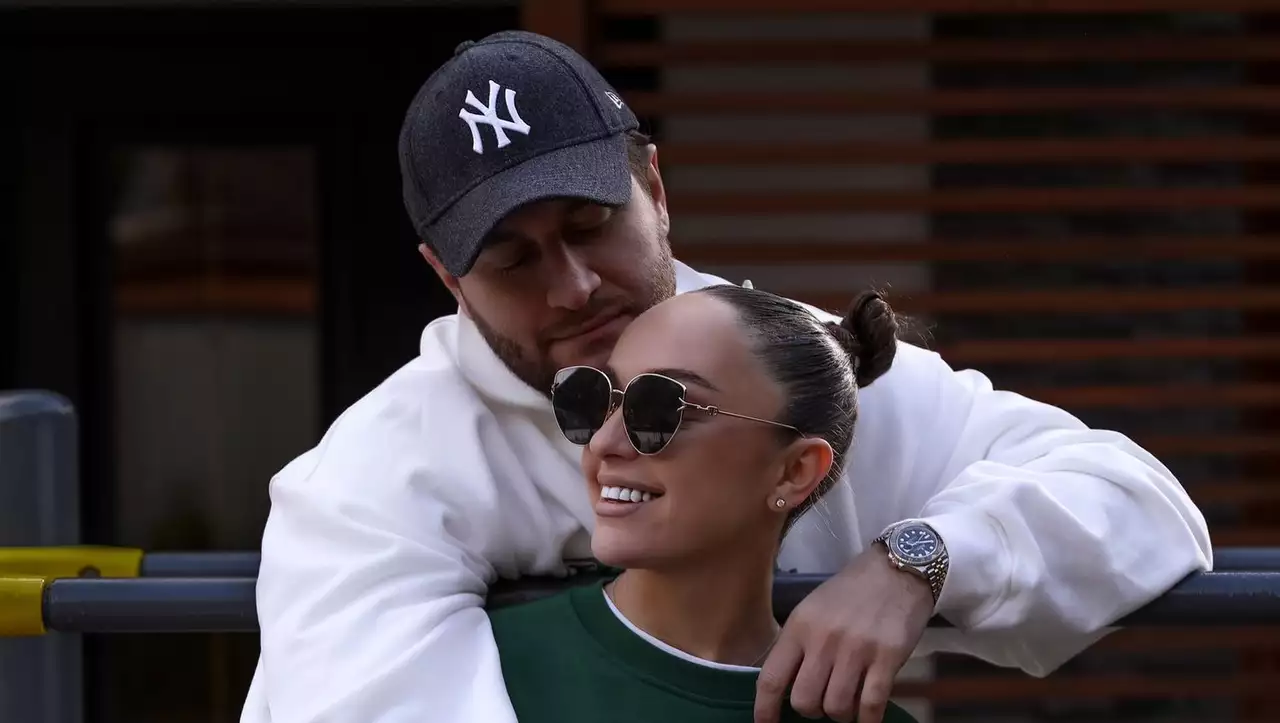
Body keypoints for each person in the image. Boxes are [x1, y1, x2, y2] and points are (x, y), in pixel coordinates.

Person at [240, 30, 1212, 723]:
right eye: (511, 258)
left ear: (655, 190)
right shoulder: (372, 477)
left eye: (589, 225)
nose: (573, 286)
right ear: (447, 278)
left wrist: (919, 558)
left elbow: (1138, 501)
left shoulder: (804, 364)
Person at [491, 285, 916, 723]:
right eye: (599, 399)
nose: (603, 442)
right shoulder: (483, 663)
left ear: (794, 471)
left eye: (661, 408)